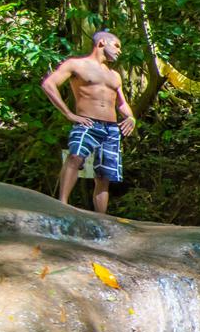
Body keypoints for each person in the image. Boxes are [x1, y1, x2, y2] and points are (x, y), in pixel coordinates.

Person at [40, 30, 136, 215]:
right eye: (116, 46)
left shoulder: (114, 75)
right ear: (101, 43)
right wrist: (68, 113)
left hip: (111, 128)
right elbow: (48, 84)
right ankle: (62, 205)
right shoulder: (76, 65)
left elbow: (121, 103)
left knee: (104, 176)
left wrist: (131, 118)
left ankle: (101, 218)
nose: (119, 51)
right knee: (75, 156)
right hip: (87, 123)